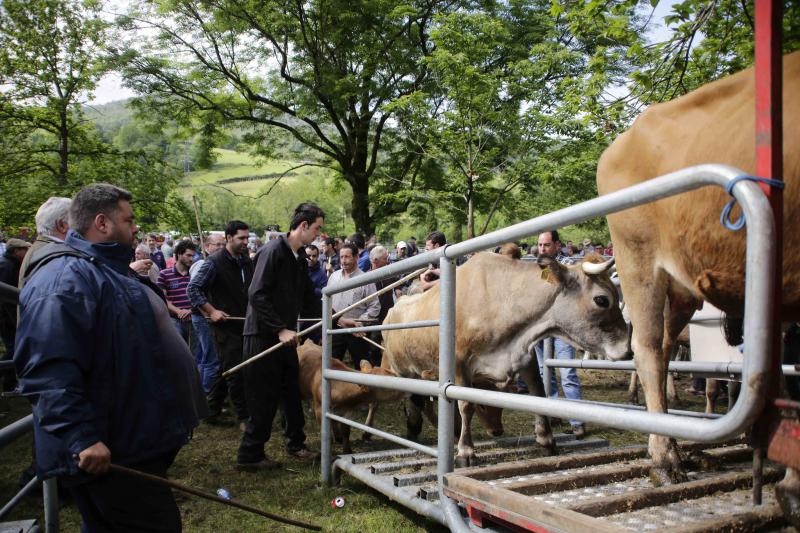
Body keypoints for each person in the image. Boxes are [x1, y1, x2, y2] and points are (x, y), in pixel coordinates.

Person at [14, 183, 205, 532]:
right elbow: (47, 369)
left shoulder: (102, 269)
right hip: (111, 447)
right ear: (102, 222)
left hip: (131, 438)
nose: (135, 228)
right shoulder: (63, 280)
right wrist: (82, 436)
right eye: (129, 220)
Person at [237, 204, 323, 470]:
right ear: (304, 225)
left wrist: (336, 317)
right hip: (263, 336)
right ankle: (249, 455)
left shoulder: (298, 259)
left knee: (290, 390)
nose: (319, 234)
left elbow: (310, 298)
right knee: (264, 396)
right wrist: (279, 328)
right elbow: (256, 294)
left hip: (285, 337)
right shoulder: (273, 251)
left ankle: (296, 443)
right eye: (317, 228)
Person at [188, 221, 252, 427]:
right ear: (228, 238)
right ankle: (244, 418)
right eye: (241, 238)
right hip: (224, 326)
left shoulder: (246, 261)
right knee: (236, 370)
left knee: (226, 368)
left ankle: (211, 409)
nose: (245, 242)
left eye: (247, 238)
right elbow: (193, 289)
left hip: (245, 323)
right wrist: (211, 310)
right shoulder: (213, 262)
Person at [534, 230, 585, 437]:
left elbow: (555, 288)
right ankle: (554, 413)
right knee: (544, 372)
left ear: (557, 245)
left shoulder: (569, 265)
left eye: (546, 245)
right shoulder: (538, 266)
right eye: (539, 245)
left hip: (563, 327)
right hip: (543, 325)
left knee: (567, 373)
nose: (542, 249)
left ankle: (577, 421)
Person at [328, 243, 381, 369]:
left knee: (362, 364)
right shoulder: (334, 277)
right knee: (331, 363)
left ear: (357, 257)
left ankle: (364, 387)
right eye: (341, 257)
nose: (343, 261)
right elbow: (325, 301)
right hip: (335, 327)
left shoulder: (365, 279)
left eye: (347, 257)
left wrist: (359, 323)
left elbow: (375, 306)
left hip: (356, 331)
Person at [187, 234, 225, 396]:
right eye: (217, 245)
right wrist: (208, 313)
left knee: (203, 357)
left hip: (204, 317)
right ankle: (207, 395)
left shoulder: (216, 263)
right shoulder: (204, 263)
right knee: (211, 359)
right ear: (206, 246)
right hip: (203, 318)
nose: (220, 248)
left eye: (223, 245)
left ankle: (199, 394)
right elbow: (193, 291)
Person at [18, 197, 71, 288]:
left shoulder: (42, 248)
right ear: (62, 225)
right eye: (78, 221)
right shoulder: (55, 256)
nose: (83, 225)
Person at [1, 239, 31, 388]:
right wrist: (12, 317)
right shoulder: (7, 266)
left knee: (13, 347)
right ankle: (8, 382)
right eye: (24, 249)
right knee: (13, 348)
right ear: (16, 251)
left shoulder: (11, 264)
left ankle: (10, 381)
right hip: (6, 316)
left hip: (8, 315)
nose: (27, 253)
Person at [157, 240, 197, 343]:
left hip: (194, 318)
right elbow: (161, 298)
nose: (191, 259)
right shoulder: (164, 274)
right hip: (174, 320)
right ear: (179, 254)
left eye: (193, 256)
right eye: (188, 255)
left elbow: (202, 296)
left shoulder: (195, 274)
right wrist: (178, 311)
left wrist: (191, 310)